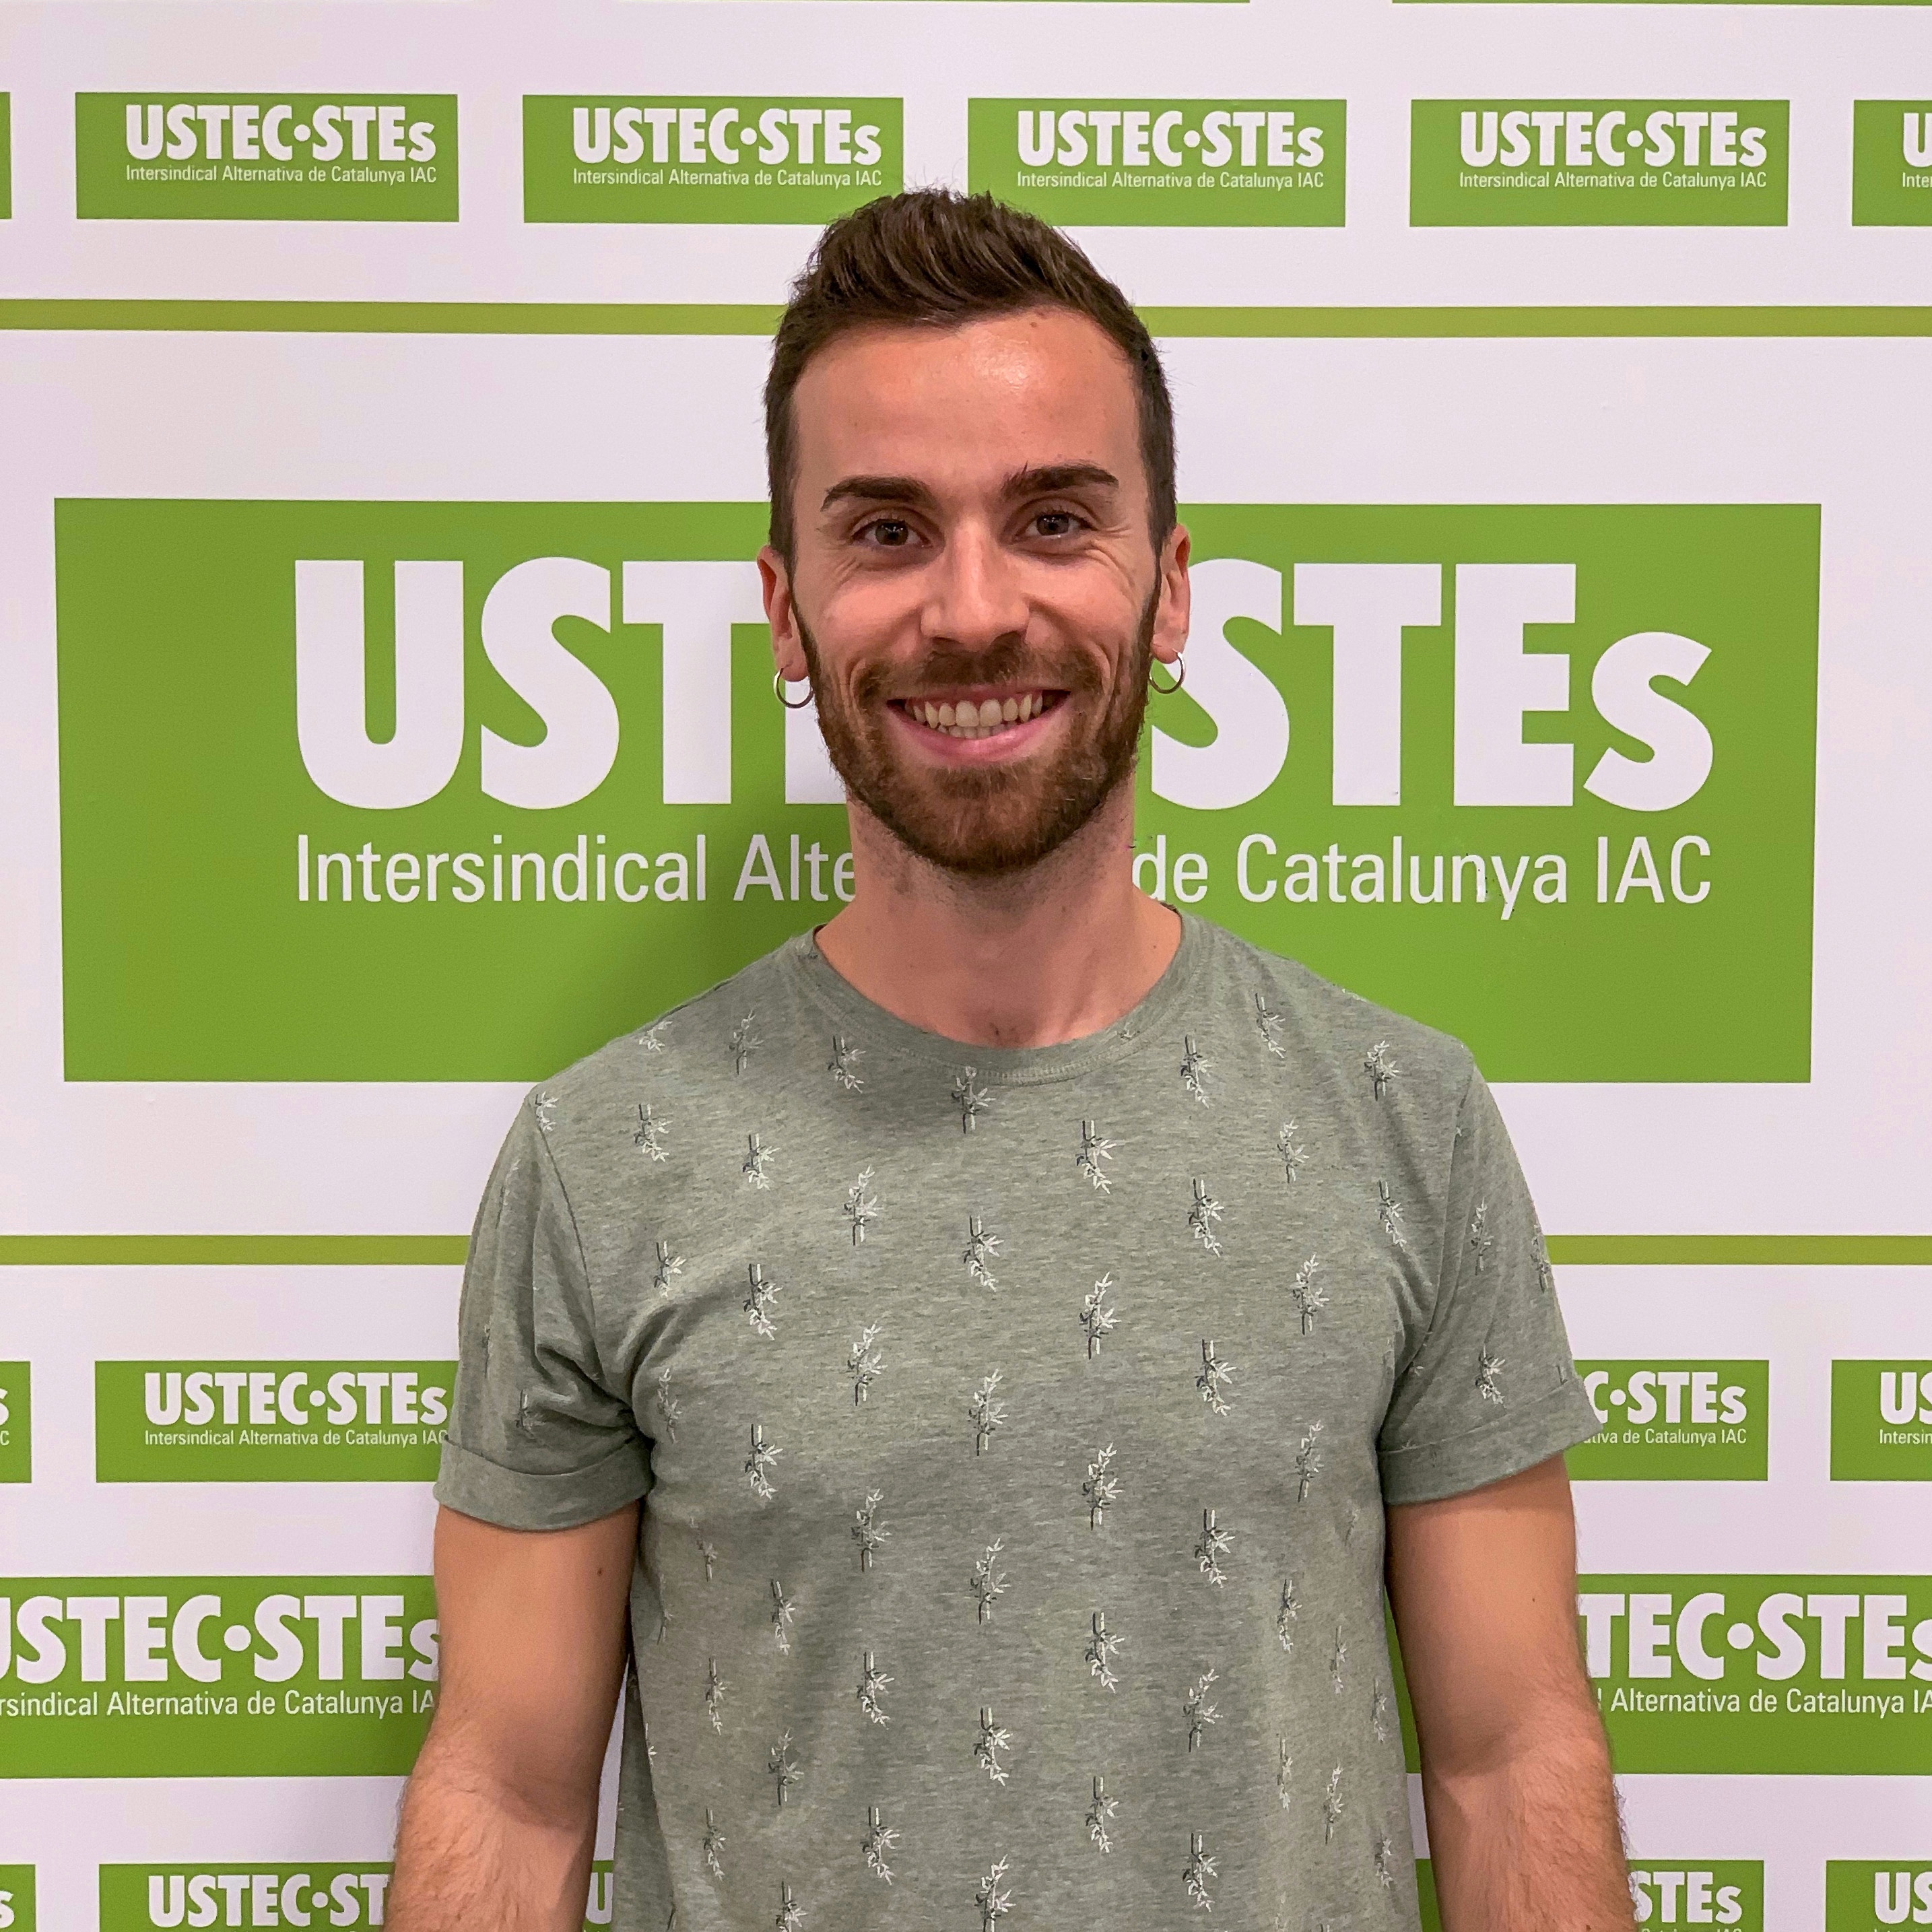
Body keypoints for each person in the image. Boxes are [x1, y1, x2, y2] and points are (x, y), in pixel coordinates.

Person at [389, 189, 1628, 1932]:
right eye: (887, 531)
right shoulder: (607, 1160)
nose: (972, 610)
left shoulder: (1404, 1122)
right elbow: (509, 1795)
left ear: (1169, 587)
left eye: (1053, 520)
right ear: (787, 609)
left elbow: (1511, 1761)